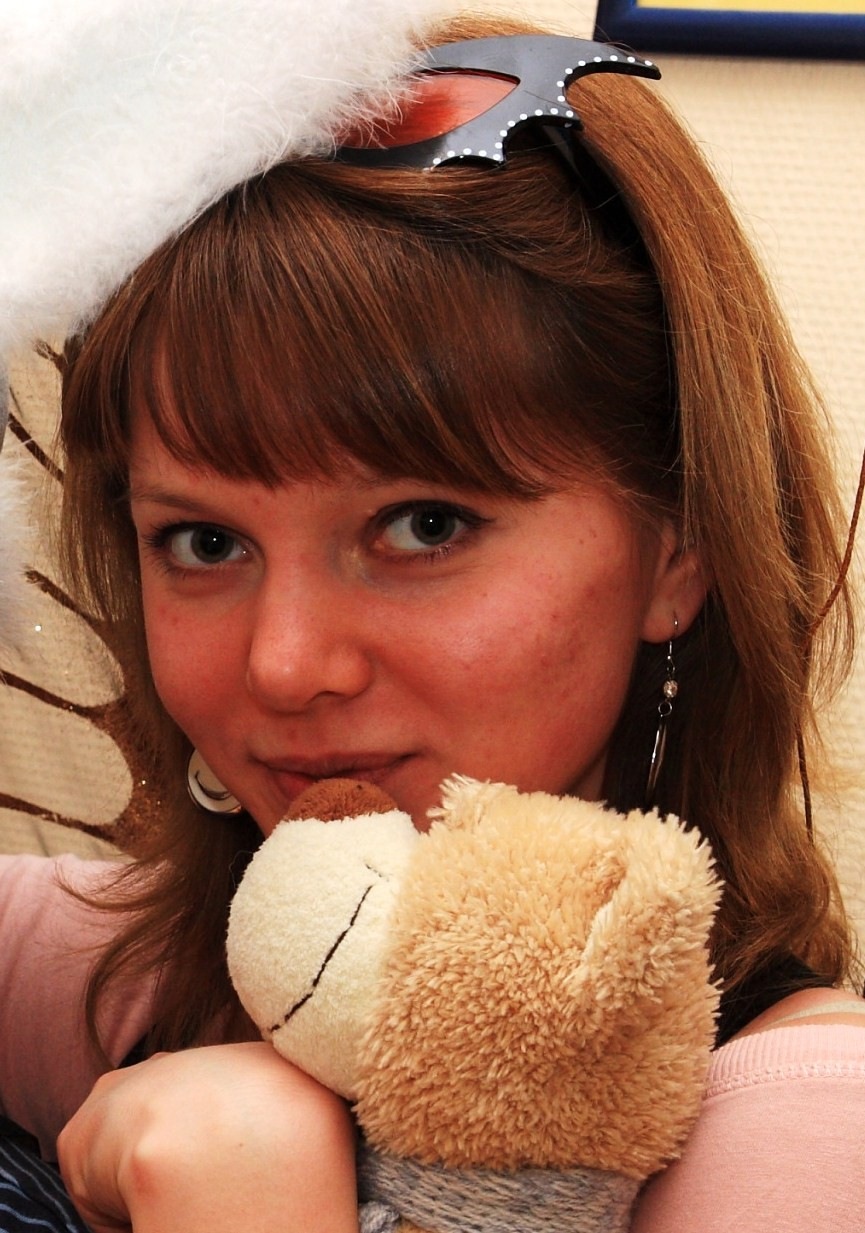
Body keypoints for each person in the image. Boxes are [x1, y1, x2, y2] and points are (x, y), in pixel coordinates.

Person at [1, 6, 864, 1231]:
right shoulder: (101, 973)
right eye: (204, 543)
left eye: (421, 526)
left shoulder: (806, 1134)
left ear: (679, 548)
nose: (283, 665)